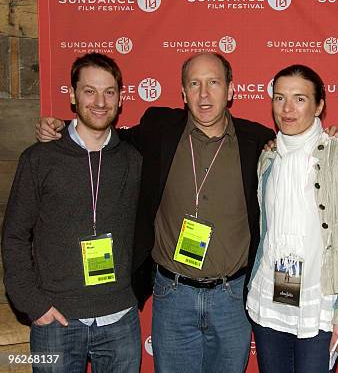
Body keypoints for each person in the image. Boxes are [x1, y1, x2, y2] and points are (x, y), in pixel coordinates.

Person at [35, 52, 276, 373]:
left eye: (214, 83)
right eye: (195, 84)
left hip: (232, 298)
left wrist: (328, 141)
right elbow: (106, 135)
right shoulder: (159, 128)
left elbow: (302, 145)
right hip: (172, 295)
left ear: (231, 90)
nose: (204, 94)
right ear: (183, 93)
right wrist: (63, 126)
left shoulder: (257, 140)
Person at [2, 53, 142, 372]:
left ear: (121, 99)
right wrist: (34, 304)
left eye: (109, 91)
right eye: (89, 90)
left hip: (120, 319)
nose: (100, 101)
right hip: (56, 321)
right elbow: (14, 236)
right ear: (72, 95)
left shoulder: (133, 160)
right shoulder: (39, 159)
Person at [246, 65, 338, 373]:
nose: (287, 109)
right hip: (270, 300)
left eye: (299, 99)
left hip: (320, 304)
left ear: (319, 105)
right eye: (279, 98)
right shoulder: (268, 158)